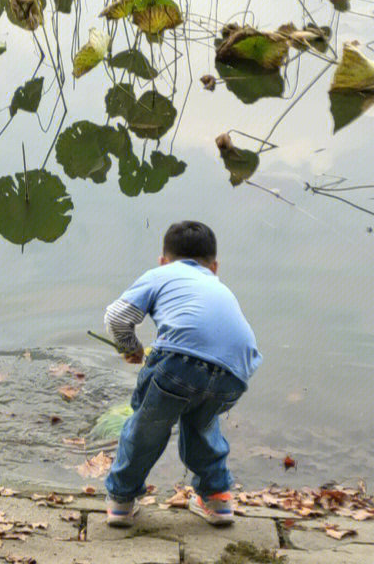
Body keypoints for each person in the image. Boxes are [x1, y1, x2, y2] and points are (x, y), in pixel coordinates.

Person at [103, 220, 261, 527]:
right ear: (215, 266)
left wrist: (130, 347)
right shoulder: (219, 286)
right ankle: (217, 501)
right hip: (236, 372)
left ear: (163, 260)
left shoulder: (161, 274)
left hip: (178, 364)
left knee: (147, 429)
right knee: (202, 425)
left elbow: (116, 316)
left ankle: (121, 501)